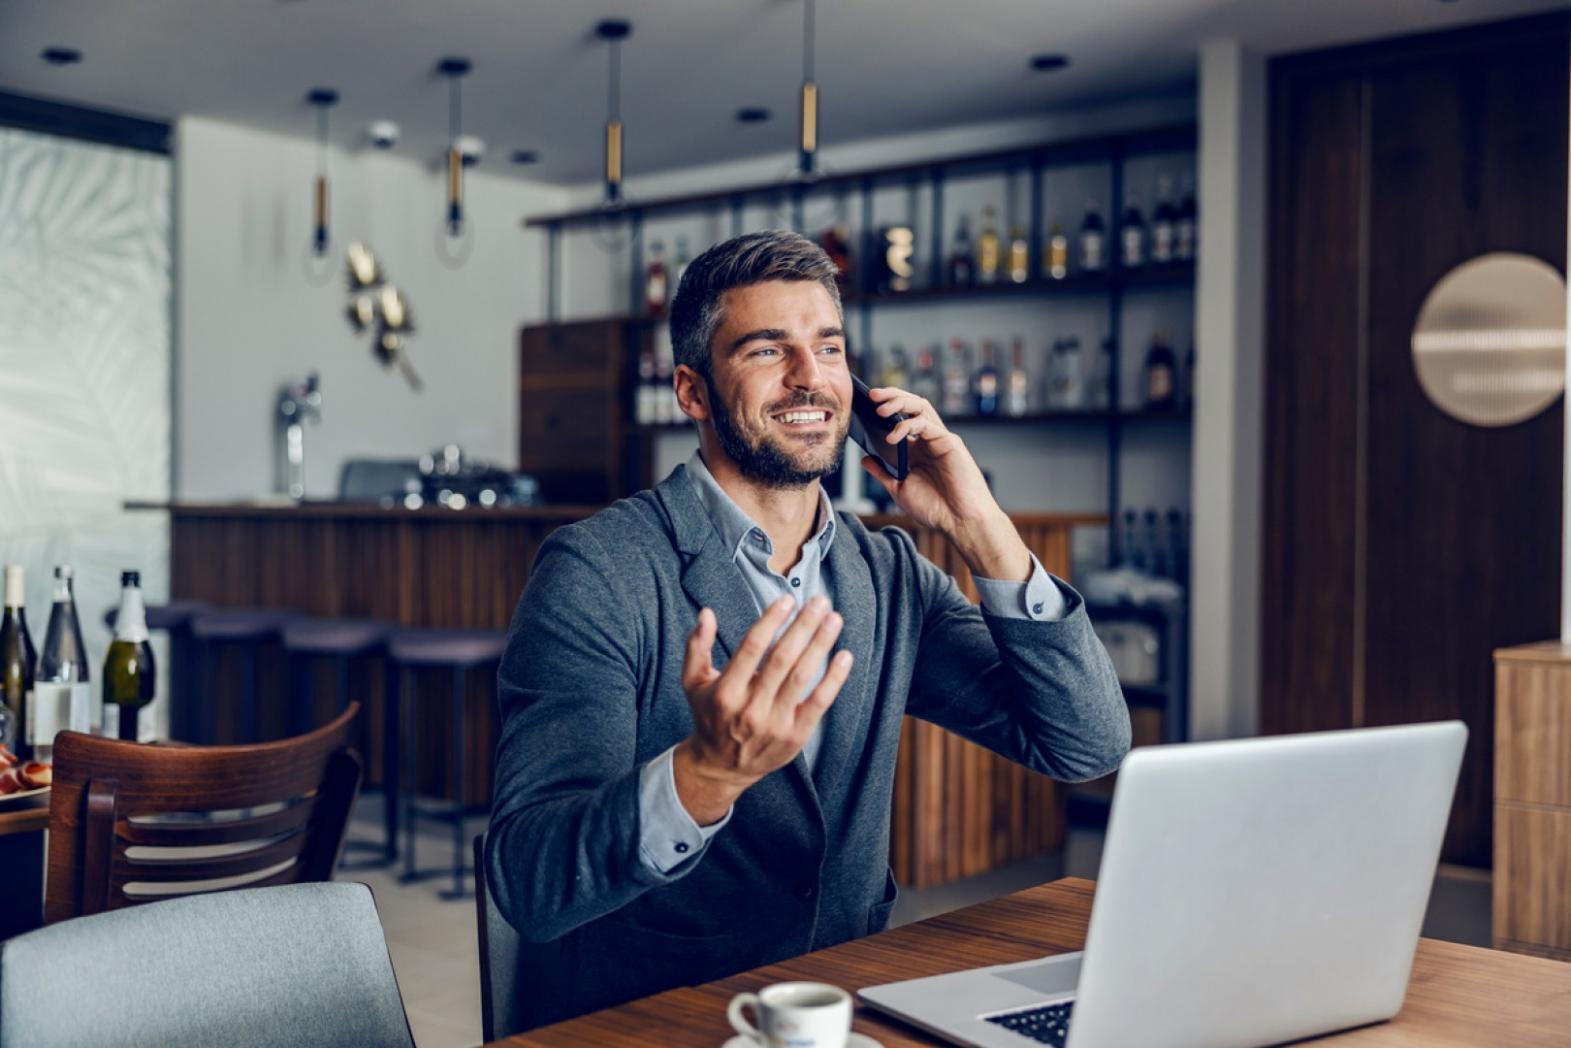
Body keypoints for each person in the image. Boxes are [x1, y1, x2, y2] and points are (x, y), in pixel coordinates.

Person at [485, 230, 1129, 1030]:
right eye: (767, 350)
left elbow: (1085, 744)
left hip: (839, 1004)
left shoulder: (888, 573)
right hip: (656, 1015)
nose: (808, 378)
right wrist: (703, 777)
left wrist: (979, 525)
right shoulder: (597, 570)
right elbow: (529, 879)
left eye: (827, 348)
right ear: (691, 392)